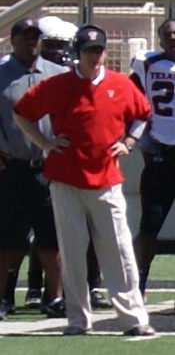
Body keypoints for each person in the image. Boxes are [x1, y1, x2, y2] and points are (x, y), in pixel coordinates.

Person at [13, 24, 154, 336]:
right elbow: (21, 113)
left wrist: (129, 142)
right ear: (76, 53)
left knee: (119, 250)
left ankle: (134, 319)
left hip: (106, 180)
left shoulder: (119, 83)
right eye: (89, 50)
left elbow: (143, 113)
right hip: (65, 181)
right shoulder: (57, 85)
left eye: (99, 50)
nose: (96, 56)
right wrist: (45, 144)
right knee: (73, 252)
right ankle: (78, 320)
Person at [37, 15, 111, 308]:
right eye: (50, 45)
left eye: (60, 45)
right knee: (48, 233)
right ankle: (40, 289)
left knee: (89, 233)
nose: (56, 52)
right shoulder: (50, 78)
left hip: (84, 168)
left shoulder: (84, 77)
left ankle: (91, 286)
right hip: (49, 164)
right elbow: (21, 111)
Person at [0, 17, 68, 320]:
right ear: (12, 40)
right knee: (8, 238)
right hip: (11, 167)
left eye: (35, 37)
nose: (31, 42)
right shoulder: (0, 74)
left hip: (49, 167)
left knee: (51, 238)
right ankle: (3, 298)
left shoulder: (57, 75)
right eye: (25, 37)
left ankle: (54, 298)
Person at [129, 18, 175, 298]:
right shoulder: (147, 65)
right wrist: (143, 143)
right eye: (168, 34)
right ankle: (138, 285)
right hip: (162, 155)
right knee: (149, 225)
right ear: (159, 39)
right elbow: (130, 103)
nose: (173, 38)